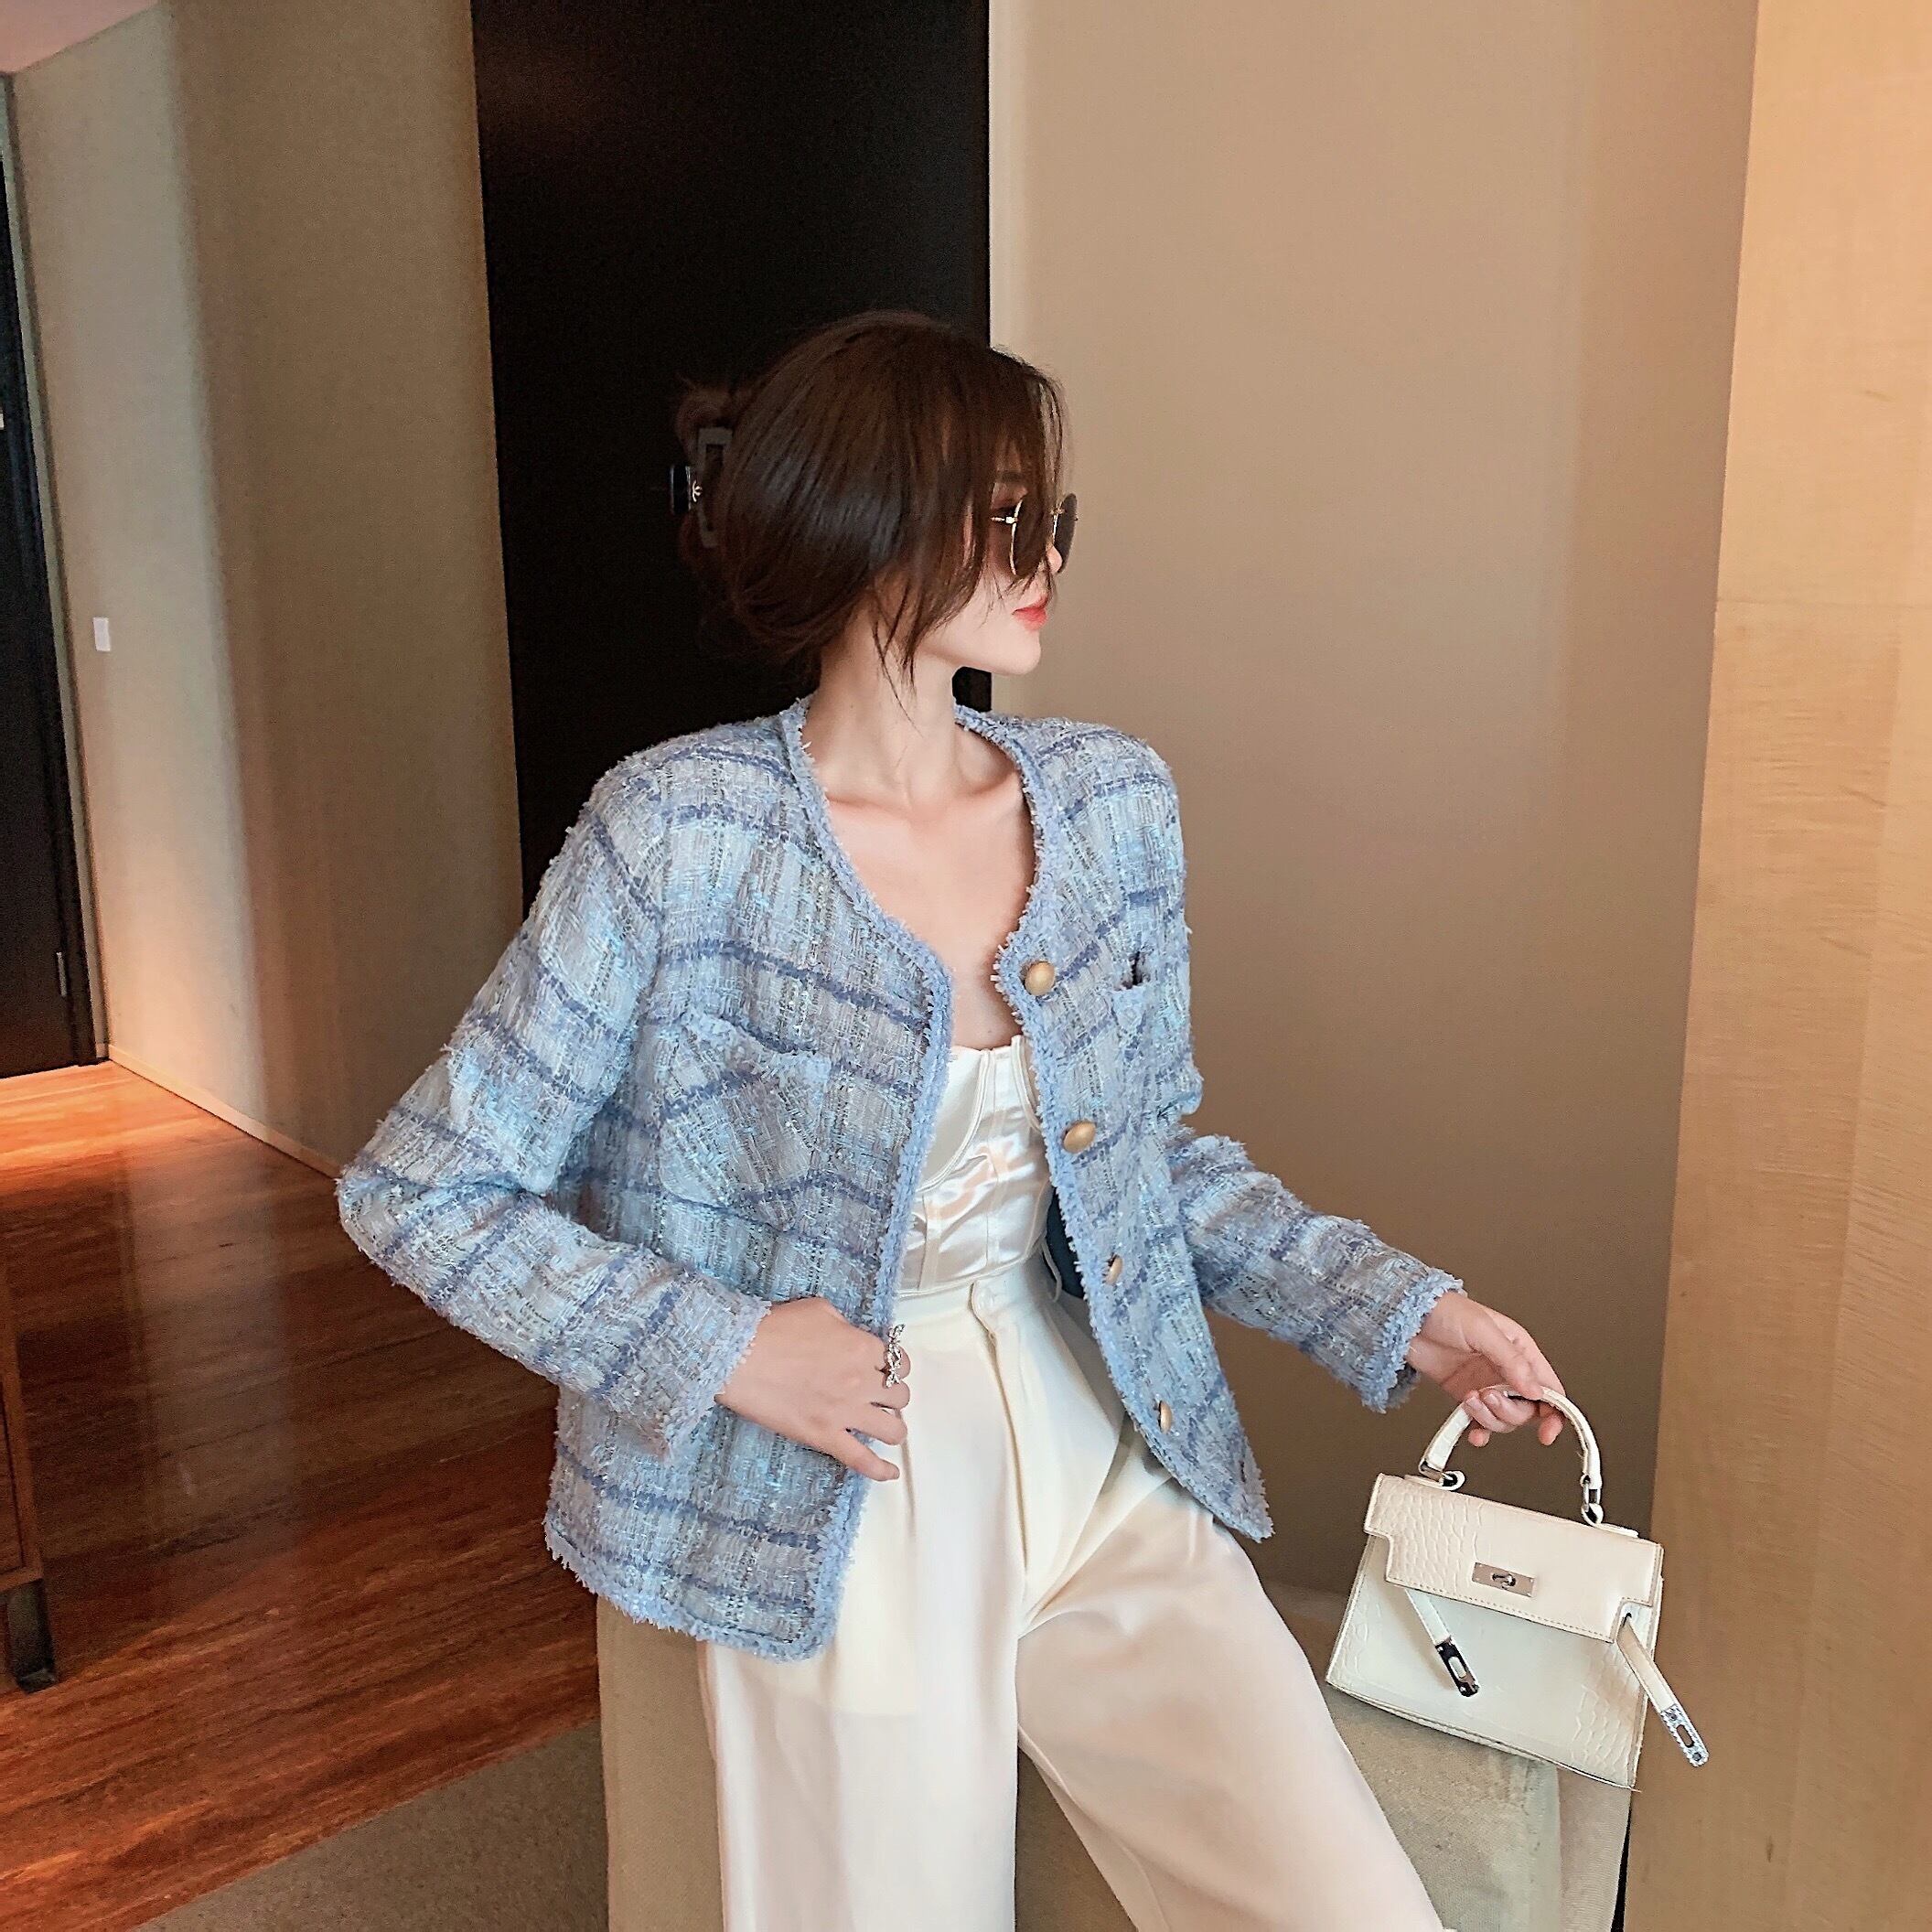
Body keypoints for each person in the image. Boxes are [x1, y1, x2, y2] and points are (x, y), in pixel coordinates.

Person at [338, 309, 1566, 1931]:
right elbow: (423, 1192)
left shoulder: (1112, 802)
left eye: (1052, 515)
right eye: (1000, 515)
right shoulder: (679, 834)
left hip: (1100, 1443)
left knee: (1348, 1908)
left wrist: (1399, 1310)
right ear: (863, 523)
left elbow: (1151, 1164)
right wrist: (727, 1348)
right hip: (835, 1486)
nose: (1043, 555)